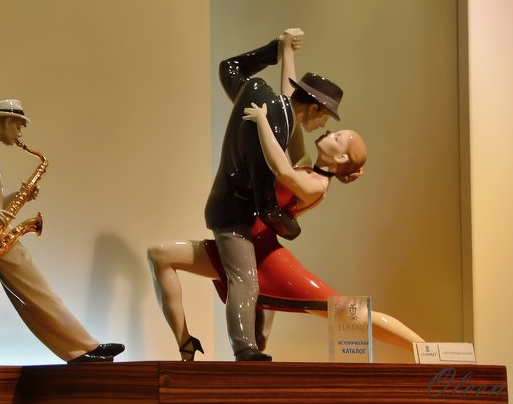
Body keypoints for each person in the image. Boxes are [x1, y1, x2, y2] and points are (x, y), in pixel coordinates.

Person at [150, 102, 423, 361]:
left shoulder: (315, 186)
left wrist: (261, 120)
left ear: (340, 157)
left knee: (343, 309)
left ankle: (422, 347)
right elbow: (292, 108)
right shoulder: (306, 165)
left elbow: (281, 169)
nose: (329, 131)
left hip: (266, 258)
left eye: (337, 136)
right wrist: (289, 70)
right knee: (160, 255)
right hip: (239, 245)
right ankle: (186, 342)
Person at [0, 99, 125, 363]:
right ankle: (84, 347)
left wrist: (17, 196)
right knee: (40, 292)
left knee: (30, 299)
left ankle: (76, 350)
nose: (20, 134)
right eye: (19, 126)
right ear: (8, 121)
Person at [204, 28, 344, 361]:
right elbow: (273, 184)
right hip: (240, 215)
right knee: (246, 282)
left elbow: (230, 68)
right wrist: (291, 227)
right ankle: (245, 349)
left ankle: (255, 342)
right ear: (313, 109)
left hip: (254, 223)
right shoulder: (279, 120)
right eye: (326, 117)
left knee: (266, 289)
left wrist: (280, 50)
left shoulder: (274, 110)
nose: (325, 126)